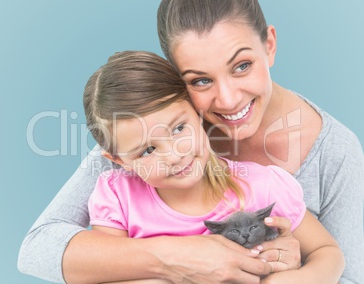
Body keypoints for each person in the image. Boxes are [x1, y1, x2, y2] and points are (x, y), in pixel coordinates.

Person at [18, 0, 364, 283]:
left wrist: (294, 267)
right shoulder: (145, 130)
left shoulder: (326, 156)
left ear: (269, 45)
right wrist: (178, 258)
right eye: (200, 80)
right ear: (178, 83)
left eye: (242, 65)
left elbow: (341, 268)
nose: (227, 100)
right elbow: (39, 249)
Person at [85, 50, 344, 284]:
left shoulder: (260, 186)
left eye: (178, 128)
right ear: (118, 159)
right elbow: (105, 274)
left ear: (197, 112)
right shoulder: (119, 196)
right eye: (148, 150)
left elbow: (327, 253)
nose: (175, 155)